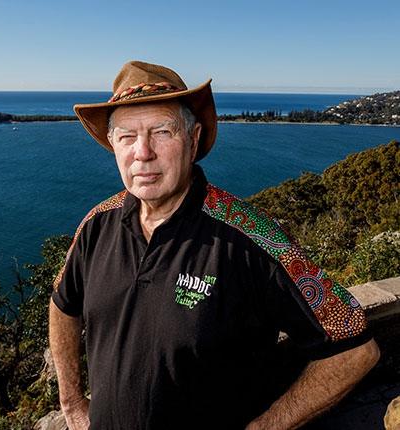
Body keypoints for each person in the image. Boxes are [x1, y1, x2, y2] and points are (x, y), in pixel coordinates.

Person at [48, 60, 380, 429]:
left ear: (192, 140)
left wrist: (264, 427)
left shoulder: (252, 238)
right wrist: (72, 402)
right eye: (127, 136)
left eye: (161, 132)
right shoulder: (97, 225)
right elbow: (62, 304)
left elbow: (354, 351)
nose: (142, 152)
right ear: (113, 145)